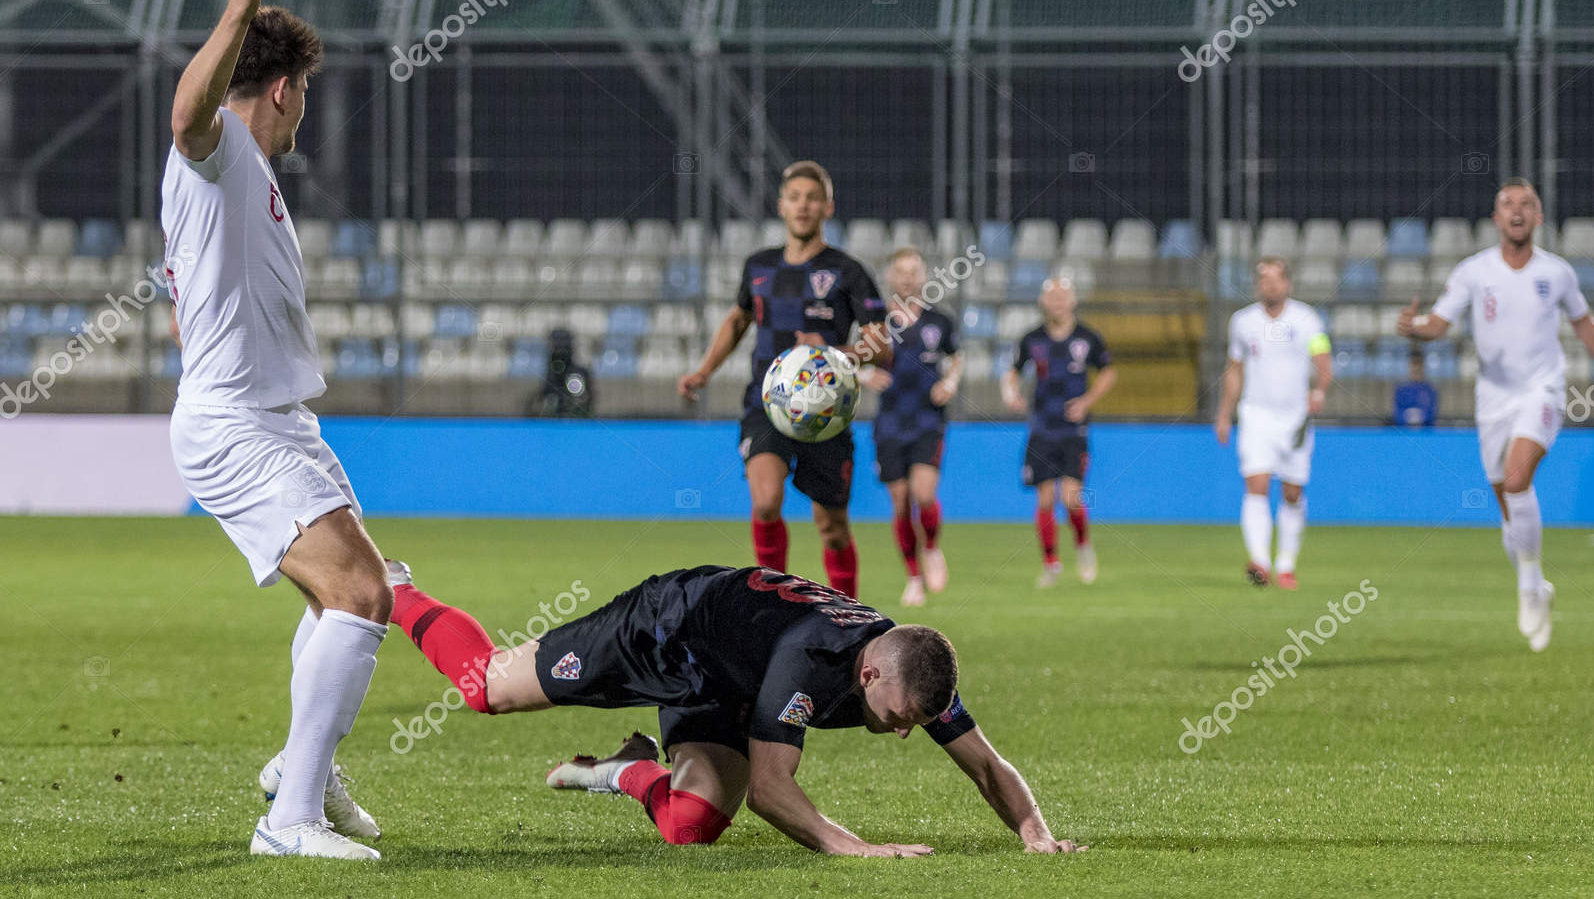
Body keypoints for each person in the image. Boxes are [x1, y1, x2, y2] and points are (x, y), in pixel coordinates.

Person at [163, 0, 393, 860]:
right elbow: (184, 115)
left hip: (275, 420)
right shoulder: (219, 154)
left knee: (342, 596)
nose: (304, 112)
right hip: (238, 424)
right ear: (285, 89)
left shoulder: (247, 184)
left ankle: (302, 766)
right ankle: (288, 818)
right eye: (304, 95)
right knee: (360, 593)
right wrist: (236, 9)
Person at [384, 563, 1086, 856]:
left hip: (729, 677)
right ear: (868, 669)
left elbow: (989, 767)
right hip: (661, 629)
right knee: (486, 687)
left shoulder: (912, 668)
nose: (905, 731)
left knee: (689, 827)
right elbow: (773, 792)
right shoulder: (814, 658)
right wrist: (855, 846)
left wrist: (1034, 831)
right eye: (898, 715)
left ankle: (626, 771)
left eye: (914, 721)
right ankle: (391, 589)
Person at [1399, 178, 1594, 651]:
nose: (1517, 211)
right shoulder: (1474, 272)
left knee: (1516, 479)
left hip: (1543, 389)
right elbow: (1439, 323)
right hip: (1492, 399)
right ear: (1495, 218)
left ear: (1539, 217)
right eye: (1507, 204)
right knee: (1509, 513)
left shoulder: (1558, 273)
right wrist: (1416, 328)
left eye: (1526, 203)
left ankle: (1530, 587)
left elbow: (1585, 327)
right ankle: (1537, 585)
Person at [677, 161, 891, 598]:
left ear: (827, 207)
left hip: (826, 414)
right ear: (782, 205)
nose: (803, 206)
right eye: (795, 197)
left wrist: (833, 354)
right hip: (767, 406)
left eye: (812, 198)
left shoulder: (848, 272)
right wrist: (704, 370)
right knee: (766, 501)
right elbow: (739, 320)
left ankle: (849, 614)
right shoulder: (759, 267)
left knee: (832, 528)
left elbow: (883, 348)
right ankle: (774, 609)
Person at [1213, 258, 1333, 590]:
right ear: (1257, 285)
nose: (1270, 285)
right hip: (1256, 415)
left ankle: (1286, 564)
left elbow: (1323, 360)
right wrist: (1225, 413)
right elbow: (1234, 369)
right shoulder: (1243, 322)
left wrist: (1320, 390)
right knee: (1257, 485)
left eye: (1276, 279)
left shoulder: (1306, 318)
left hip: (1295, 418)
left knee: (1293, 492)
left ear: (1288, 284)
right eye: (1263, 279)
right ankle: (1261, 562)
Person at [860, 248, 962, 607]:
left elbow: (956, 358)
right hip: (889, 423)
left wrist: (949, 383)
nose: (907, 277)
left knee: (924, 494)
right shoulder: (875, 323)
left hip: (928, 420)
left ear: (923, 277)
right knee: (901, 503)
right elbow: (847, 360)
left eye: (913, 271)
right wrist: (864, 374)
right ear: (890, 276)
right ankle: (913, 577)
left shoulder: (940, 321)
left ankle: (931, 547)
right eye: (900, 271)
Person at [1002, 277, 1116, 587]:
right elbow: (1012, 373)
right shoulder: (1031, 339)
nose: (1058, 302)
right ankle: (1051, 563)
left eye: (1063, 297)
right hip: (1041, 428)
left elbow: (1108, 372)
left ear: (1073, 301)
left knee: (1072, 498)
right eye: (1052, 297)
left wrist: (1087, 401)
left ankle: (1082, 545)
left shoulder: (1088, 337)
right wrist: (1011, 393)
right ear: (1043, 302)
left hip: (1073, 430)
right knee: (1044, 499)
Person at [1393, 348, 1438, 428]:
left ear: (1423, 367)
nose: (1416, 369)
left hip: (1425, 433)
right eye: (1413, 365)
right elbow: (1397, 414)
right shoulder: (1401, 390)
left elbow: (1432, 414)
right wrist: (1408, 417)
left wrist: (1420, 417)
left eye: (1418, 365)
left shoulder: (1430, 390)